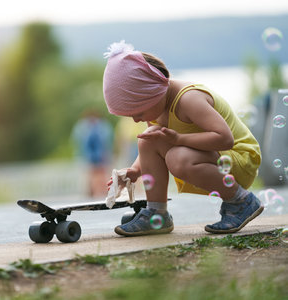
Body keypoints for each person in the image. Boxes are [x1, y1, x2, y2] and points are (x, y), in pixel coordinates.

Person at [103, 40, 263, 236]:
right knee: (147, 138)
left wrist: (178, 139)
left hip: (240, 159)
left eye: (138, 111)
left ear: (152, 92)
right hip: (214, 159)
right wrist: (134, 171)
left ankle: (241, 201)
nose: (136, 118)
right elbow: (152, 147)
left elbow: (225, 139)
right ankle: (156, 214)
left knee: (177, 157)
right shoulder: (156, 106)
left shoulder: (189, 99)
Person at [72, 110, 113, 198]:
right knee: (98, 176)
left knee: (95, 176)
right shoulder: (100, 128)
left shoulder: (85, 129)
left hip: (94, 157)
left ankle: (97, 192)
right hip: (97, 157)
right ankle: (99, 192)